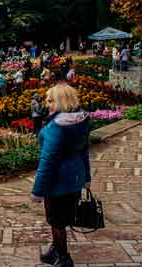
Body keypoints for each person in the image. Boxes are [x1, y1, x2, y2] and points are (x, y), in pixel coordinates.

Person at [31, 84, 91, 267]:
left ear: (61, 101)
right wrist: (86, 177)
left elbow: (47, 160)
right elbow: (84, 151)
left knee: (56, 221)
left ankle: (63, 258)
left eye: (50, 100)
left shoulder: (56, 127)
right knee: (61, 218)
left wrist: (38, 190)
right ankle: (55, 251)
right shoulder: (81, 120)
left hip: (58, 181)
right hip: (75, 177)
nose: (47, 104)